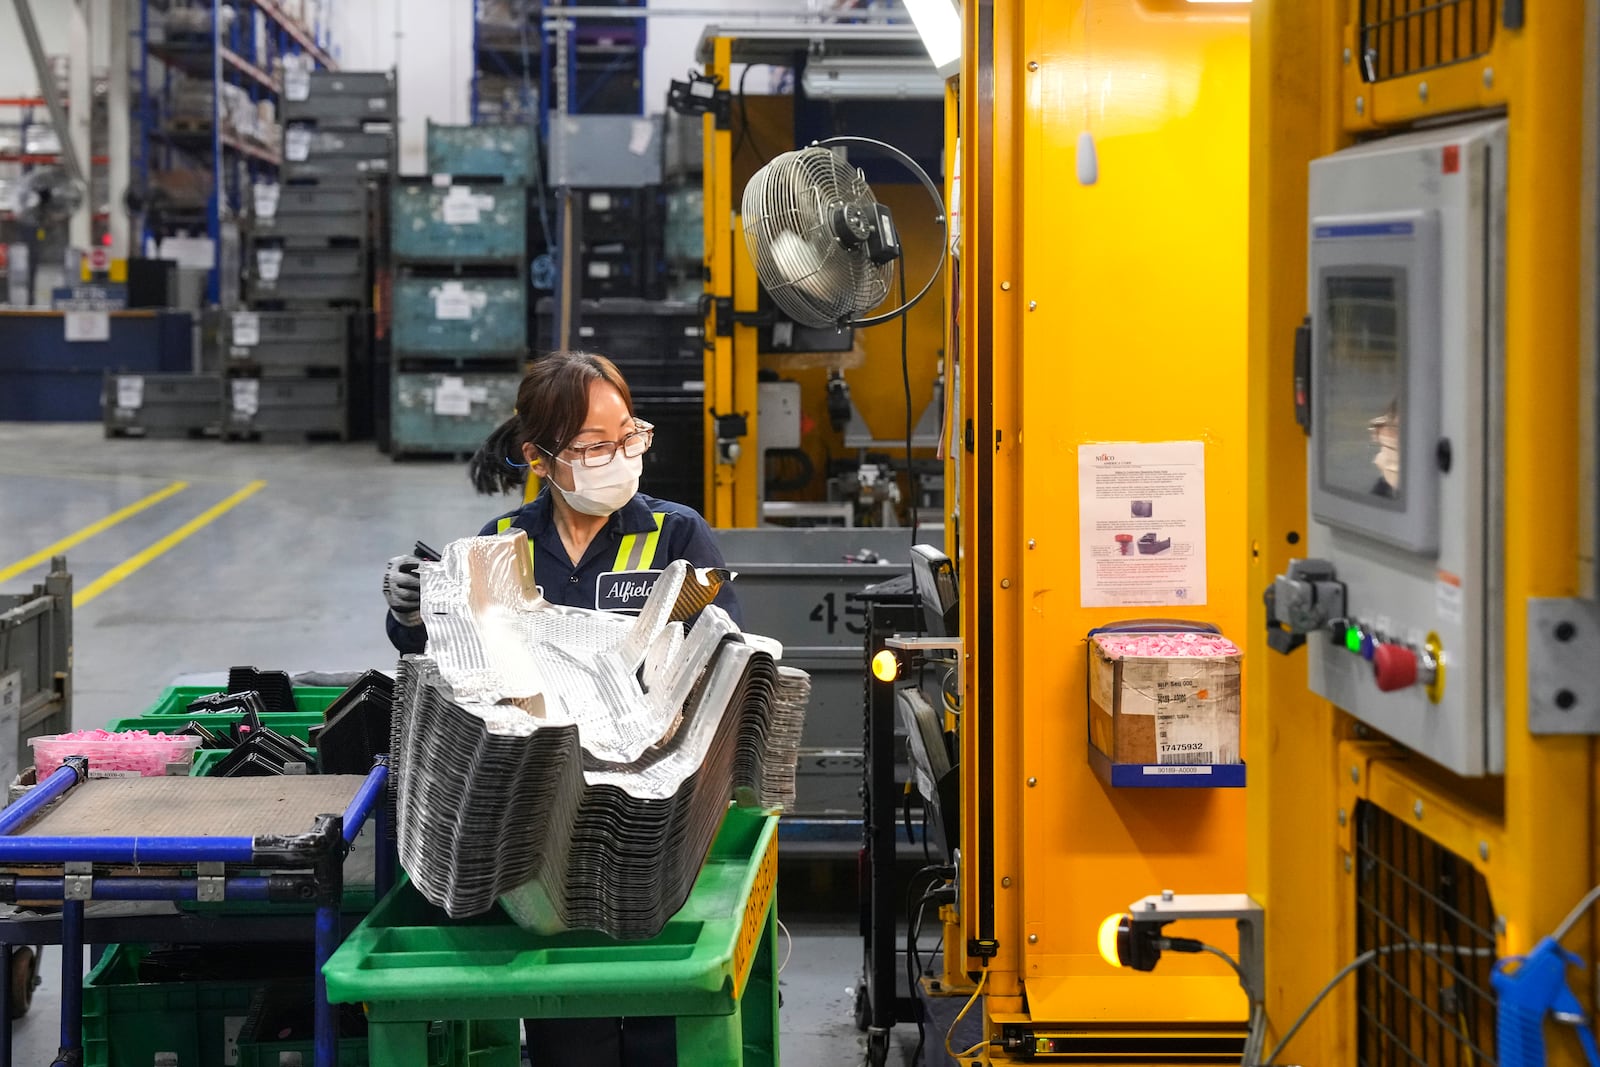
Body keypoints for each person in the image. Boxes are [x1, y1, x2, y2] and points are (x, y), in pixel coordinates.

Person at [383, 351, 740, 653]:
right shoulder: (501, 543)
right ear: (539, 459)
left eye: (629, 436)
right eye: (596, 446)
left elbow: (722, 654)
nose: (621, 458)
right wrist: (414, 614)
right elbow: (458, 656)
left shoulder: (677, 534)